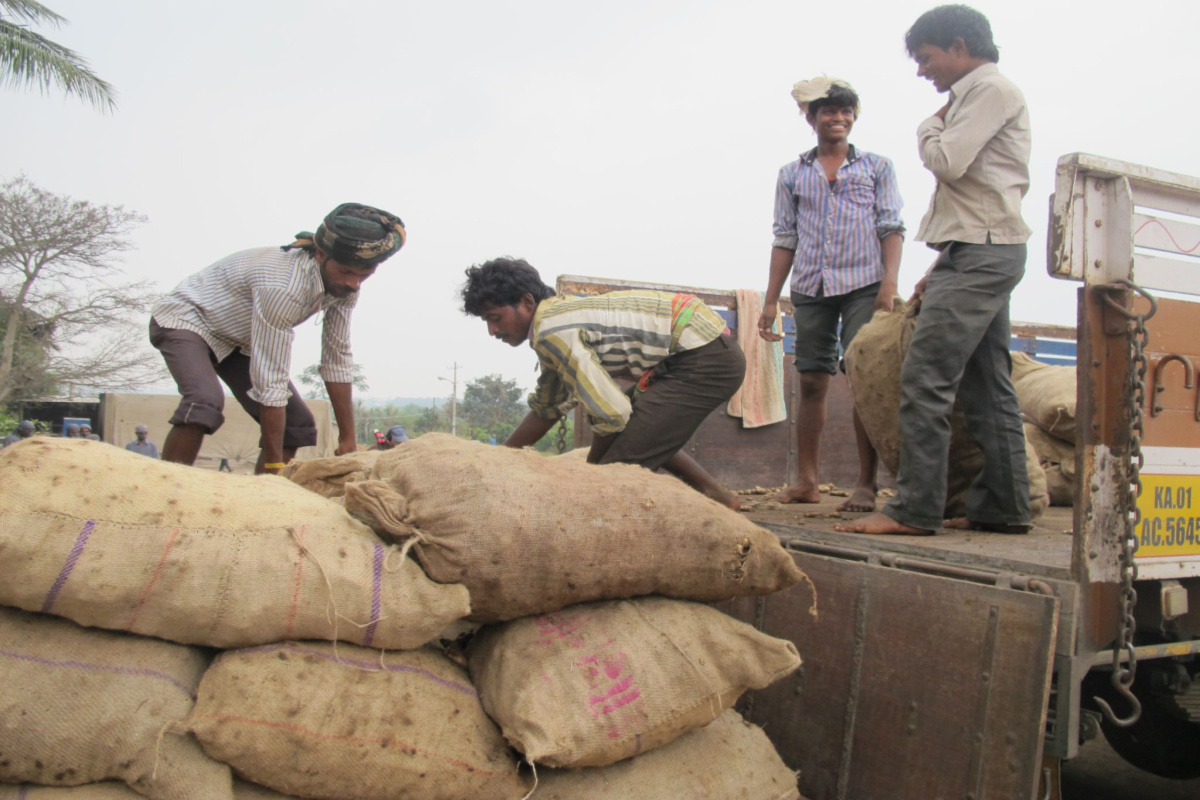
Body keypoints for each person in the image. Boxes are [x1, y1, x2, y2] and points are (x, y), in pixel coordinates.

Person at [838, 4, 1032, 536]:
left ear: (960, 47)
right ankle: (1004, 507)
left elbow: (948, 161)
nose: (924, 70)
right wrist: (941, 263)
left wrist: (927, 128)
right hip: (978, 249)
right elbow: (970, 197)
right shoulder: (974, 97)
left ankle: (915, 508)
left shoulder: (989, 92)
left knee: (925, 376)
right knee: (987, 386)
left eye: (927, 58)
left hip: (982, 252)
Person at [461, 257, 745, 509]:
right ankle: (719, 496)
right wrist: (499, 460)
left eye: (495, 318)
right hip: (699, 351)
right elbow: (547, 408)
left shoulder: (552, 330)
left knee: (605, 484)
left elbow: (612, 414)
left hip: (705, 358)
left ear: (525, 302)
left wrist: (591, 474)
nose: (492, 331)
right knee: (643, 428)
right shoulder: (553, 321)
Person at [150, 204, 405, 474]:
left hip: (239, 341)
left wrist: (348, 441)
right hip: (189, 321)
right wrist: (274, 463)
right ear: (320, 254)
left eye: (364, 274)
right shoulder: (283, 287)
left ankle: (260, 500)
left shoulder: (346, 289)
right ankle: (167, 489)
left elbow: (337, 358)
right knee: (204, 401)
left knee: (298, 424)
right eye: (345, 271)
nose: (354, 283)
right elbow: (270, 377)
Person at [758, 76, 904, 512]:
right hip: (811, 286)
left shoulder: (876, 167)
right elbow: (785, 237)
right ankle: (806, 481)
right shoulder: (792, 174)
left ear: (854, 117)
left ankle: (865, 484)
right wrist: (770, 300)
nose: (837, 118)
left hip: (865, 283)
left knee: (862, 378)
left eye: (845, 111)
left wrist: (889, 285)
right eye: (828, 111)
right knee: (811, 380)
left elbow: (891, 227)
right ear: (812, 118)